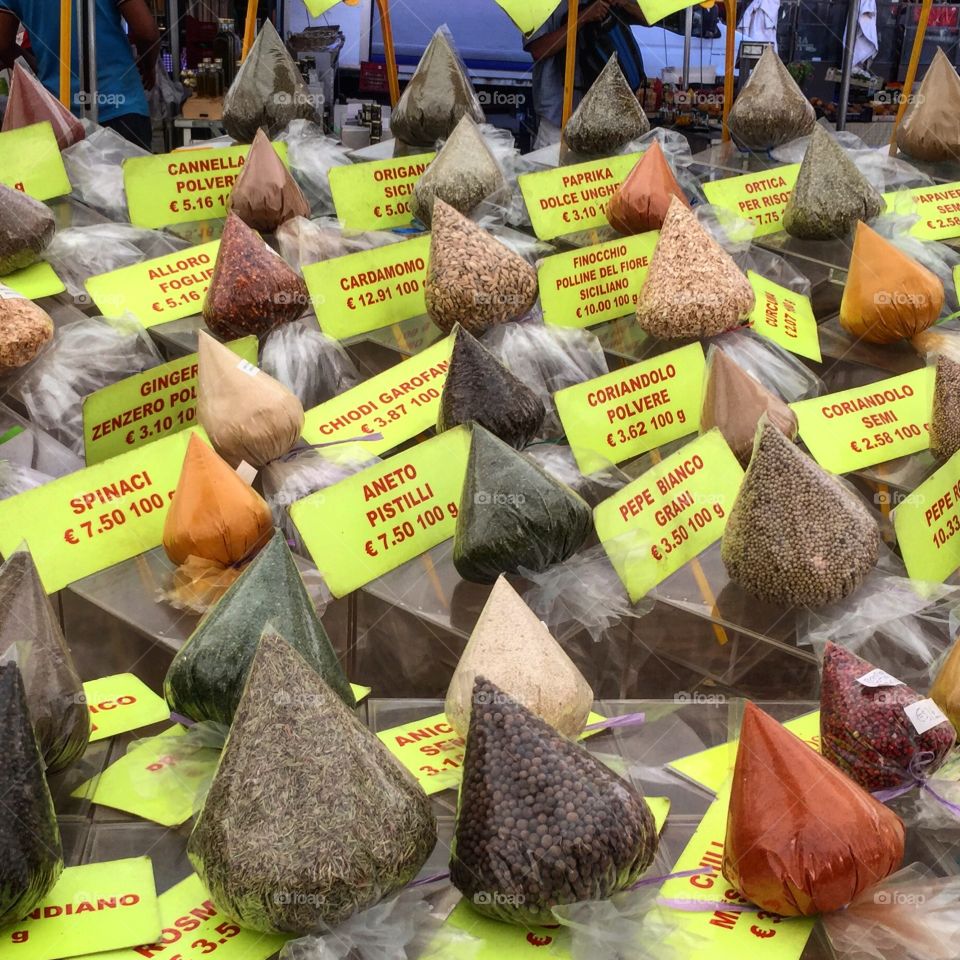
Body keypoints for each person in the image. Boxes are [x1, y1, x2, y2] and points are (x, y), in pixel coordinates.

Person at [0, 0, 160, 150]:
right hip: (121, 106)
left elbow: (3, 44)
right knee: (126, 178)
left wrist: (37, 73)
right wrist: (148, 67)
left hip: (58, 115)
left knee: (67, 180)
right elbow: (146, 33)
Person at [525, 0, 647, 149]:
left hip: (606, 121)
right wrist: (583, 18)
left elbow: (648, 19)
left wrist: (624, 3)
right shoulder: (540, 4)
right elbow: (539, 50)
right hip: (559, 121)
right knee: (553, 171)